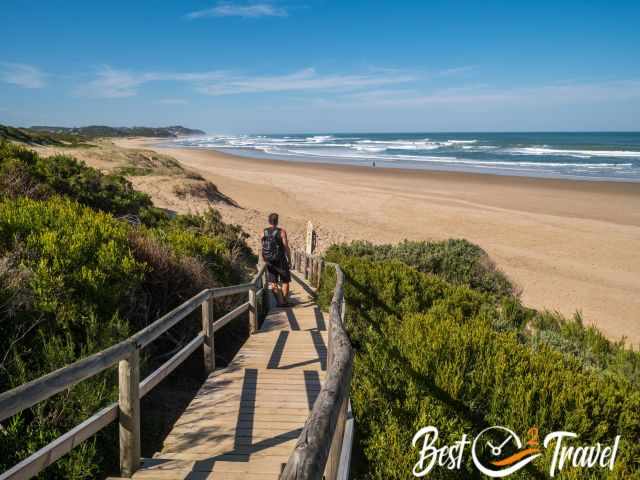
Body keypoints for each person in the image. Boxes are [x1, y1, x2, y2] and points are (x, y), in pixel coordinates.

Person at [261, 213, 291, 307]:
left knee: (273, 282)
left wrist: (264, 259)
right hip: (280, 260)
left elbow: (263, 246)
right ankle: (284, 301)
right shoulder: (282, 232)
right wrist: (289, 259)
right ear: (277, 221)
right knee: (285, 280)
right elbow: (286, 247)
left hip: (269, 261)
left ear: (269, 221)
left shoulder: (264, 232)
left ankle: (279, 302)